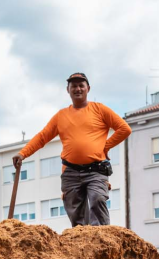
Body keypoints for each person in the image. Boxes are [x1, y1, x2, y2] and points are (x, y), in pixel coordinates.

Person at [12, 72, 131, 227]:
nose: (78, 89)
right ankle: (80, 242)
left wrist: (105, 146)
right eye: (73, 86)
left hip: (96, 170)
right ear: (67, 90)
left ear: (88, 88)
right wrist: (22, 154)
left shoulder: (100, 110)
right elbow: (42, 137)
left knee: (97, 199)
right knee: (76, 214)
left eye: (81, 85)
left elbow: (124, 128)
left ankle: (100, 239)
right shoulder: (61, 116)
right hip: (71, 172)